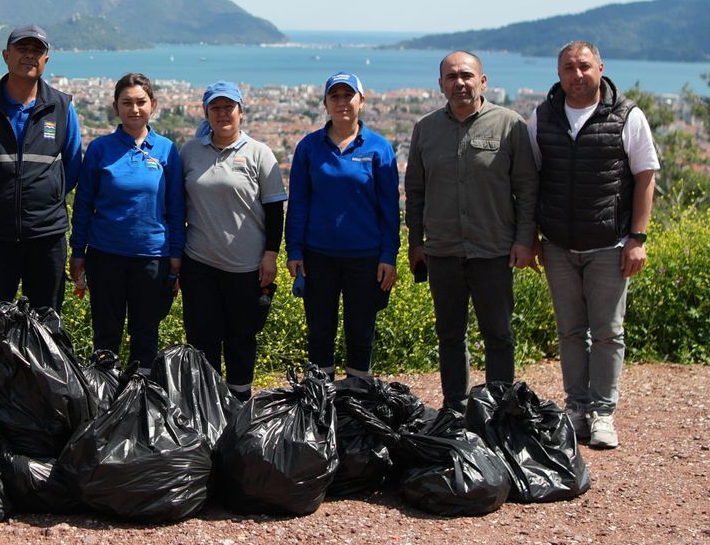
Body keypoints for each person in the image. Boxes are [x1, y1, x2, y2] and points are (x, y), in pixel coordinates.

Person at [529, 41, 659, 449]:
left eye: (584, 66)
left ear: (600, 68)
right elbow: (531, 178)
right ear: (559, 73)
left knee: (607, 333)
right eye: (569, 67)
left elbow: (645, 176)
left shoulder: (627, 115)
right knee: (570, 332)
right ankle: (576, 408)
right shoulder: (542, 117)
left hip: (609, 244)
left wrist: (637, 238)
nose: (577, 74)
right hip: (557, 244)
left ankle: (603, 412)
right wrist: (531, 236)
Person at [405, 50, 538, 413]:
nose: (460, 83)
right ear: (441, 84)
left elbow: (527, 188)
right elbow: (415, 191)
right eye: (452, 77)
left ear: (483, 81)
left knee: (499, 335)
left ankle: (499, 409)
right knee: (449, 335)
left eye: (466, 75)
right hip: (443, 251)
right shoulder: (426, 129)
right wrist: (415, 242)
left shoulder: (510, 125)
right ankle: (455, 407)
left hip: (493, 250)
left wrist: (524, 240)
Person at [0, 25, 83, 331]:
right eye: (22, 49)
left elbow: (74, 165)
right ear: (6, 56)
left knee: (47, 323)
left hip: (46, 236)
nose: (29, 56)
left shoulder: (62, 106)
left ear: (46, 60)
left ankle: (44, 367)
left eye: (37, 51)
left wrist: (49, 198)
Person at [285, 71, 399, 381]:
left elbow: (389, 208)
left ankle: (357, 395)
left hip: (365, 257)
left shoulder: (378, 148)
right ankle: (321, 397)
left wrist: (389, 255)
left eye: (348, 95)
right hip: (318, 255)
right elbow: (299, 202)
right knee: (320, 332)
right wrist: (294, 250)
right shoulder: (309, 147)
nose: (341, 102)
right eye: (334, 96)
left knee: (360, 332)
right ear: (325, 104)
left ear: (362, 101)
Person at [69, 73, 185, 372]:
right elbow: (83, 204)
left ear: (153, 105)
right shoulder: (100, 149)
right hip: (105, 255)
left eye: (141, 102)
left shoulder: (167, 150)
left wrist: (176, 254)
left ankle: (141, 390)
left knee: (145, 333)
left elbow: (176, 207)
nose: (134, 109)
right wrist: (77, 251)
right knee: (106, 332)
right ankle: (105, 389)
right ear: (115, 107)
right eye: (127, 103)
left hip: (152, 256)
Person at [180, 81, 287, 401]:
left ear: (241, 112)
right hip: (199, 263)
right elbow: (177, 204)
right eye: (215, 108)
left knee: (241, 339)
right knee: (202, 339)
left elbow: (274, 210)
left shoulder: (259, 153)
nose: (223, 113)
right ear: (206, 114)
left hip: (245, 266)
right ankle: (208, 404)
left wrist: (270, 255)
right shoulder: (190, 152)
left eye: (229, 107)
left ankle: (239, 403)